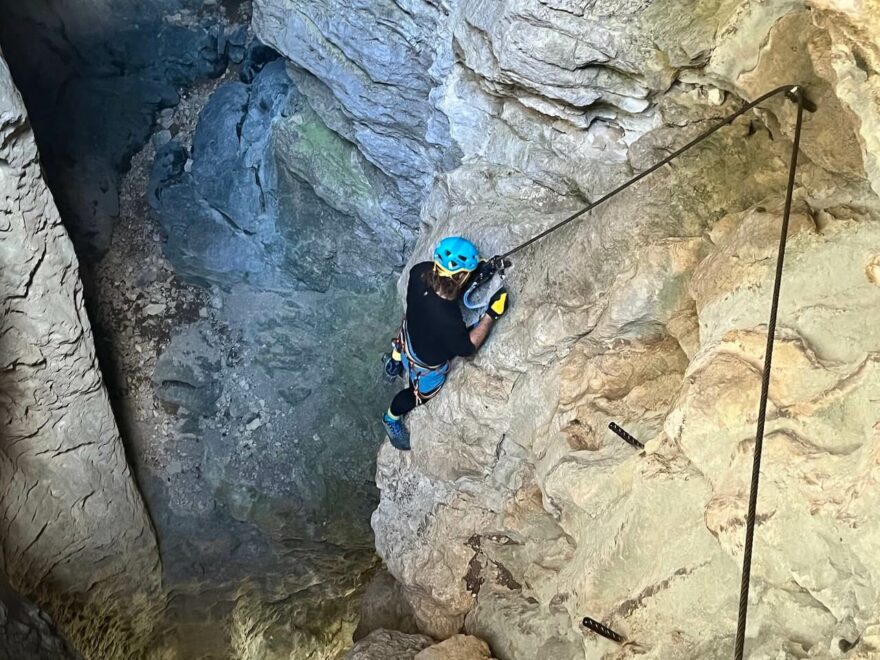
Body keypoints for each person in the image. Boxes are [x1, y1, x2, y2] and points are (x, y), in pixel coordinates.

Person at [381, 236, 509, 450]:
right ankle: (391, 418)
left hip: (409, 333)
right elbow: (466, 349)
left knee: (402, 343)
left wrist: (478, 271)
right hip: (425, 363)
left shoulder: (419, 270)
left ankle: (394, 363)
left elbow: (446, 284)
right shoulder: (448, 317)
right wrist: (491, 315)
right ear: (461, 276)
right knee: (416, 394)